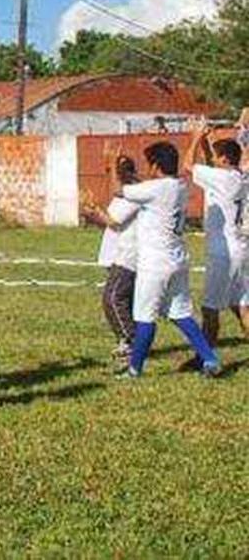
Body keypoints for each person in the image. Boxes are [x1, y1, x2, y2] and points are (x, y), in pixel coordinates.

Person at [117, 141, 222, 379]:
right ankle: (210, 358)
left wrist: (115, 169)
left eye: (149, 164)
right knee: (180, 313)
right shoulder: (179, 186)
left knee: (145, 316)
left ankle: (134, 369)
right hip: (177, 259)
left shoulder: (155, 188)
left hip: (154, 263)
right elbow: (150, 188)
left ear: (155, 165)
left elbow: (120, 191)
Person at [186, 117, 248, 364]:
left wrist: (195, 135)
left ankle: (205, 357)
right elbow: (210, 162)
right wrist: (206, 141)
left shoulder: (222, 179)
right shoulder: (238, 176)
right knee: (242, 306)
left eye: (217, 157)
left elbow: (188, 165)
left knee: (210, 308)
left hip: (223, 252)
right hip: (241, 248)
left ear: (224, 160)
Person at [80, 156, 141, 359]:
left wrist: (96, 209)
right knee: (124, 300)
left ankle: (130, 341)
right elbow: (109, 223)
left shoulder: (134, 194)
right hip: (116, 252)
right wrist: (92, 215)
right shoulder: (122, 194)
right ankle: (129, 341)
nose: (110, 175)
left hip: (126, 255)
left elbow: (113, 222)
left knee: (113, 299)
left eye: (113, 170)